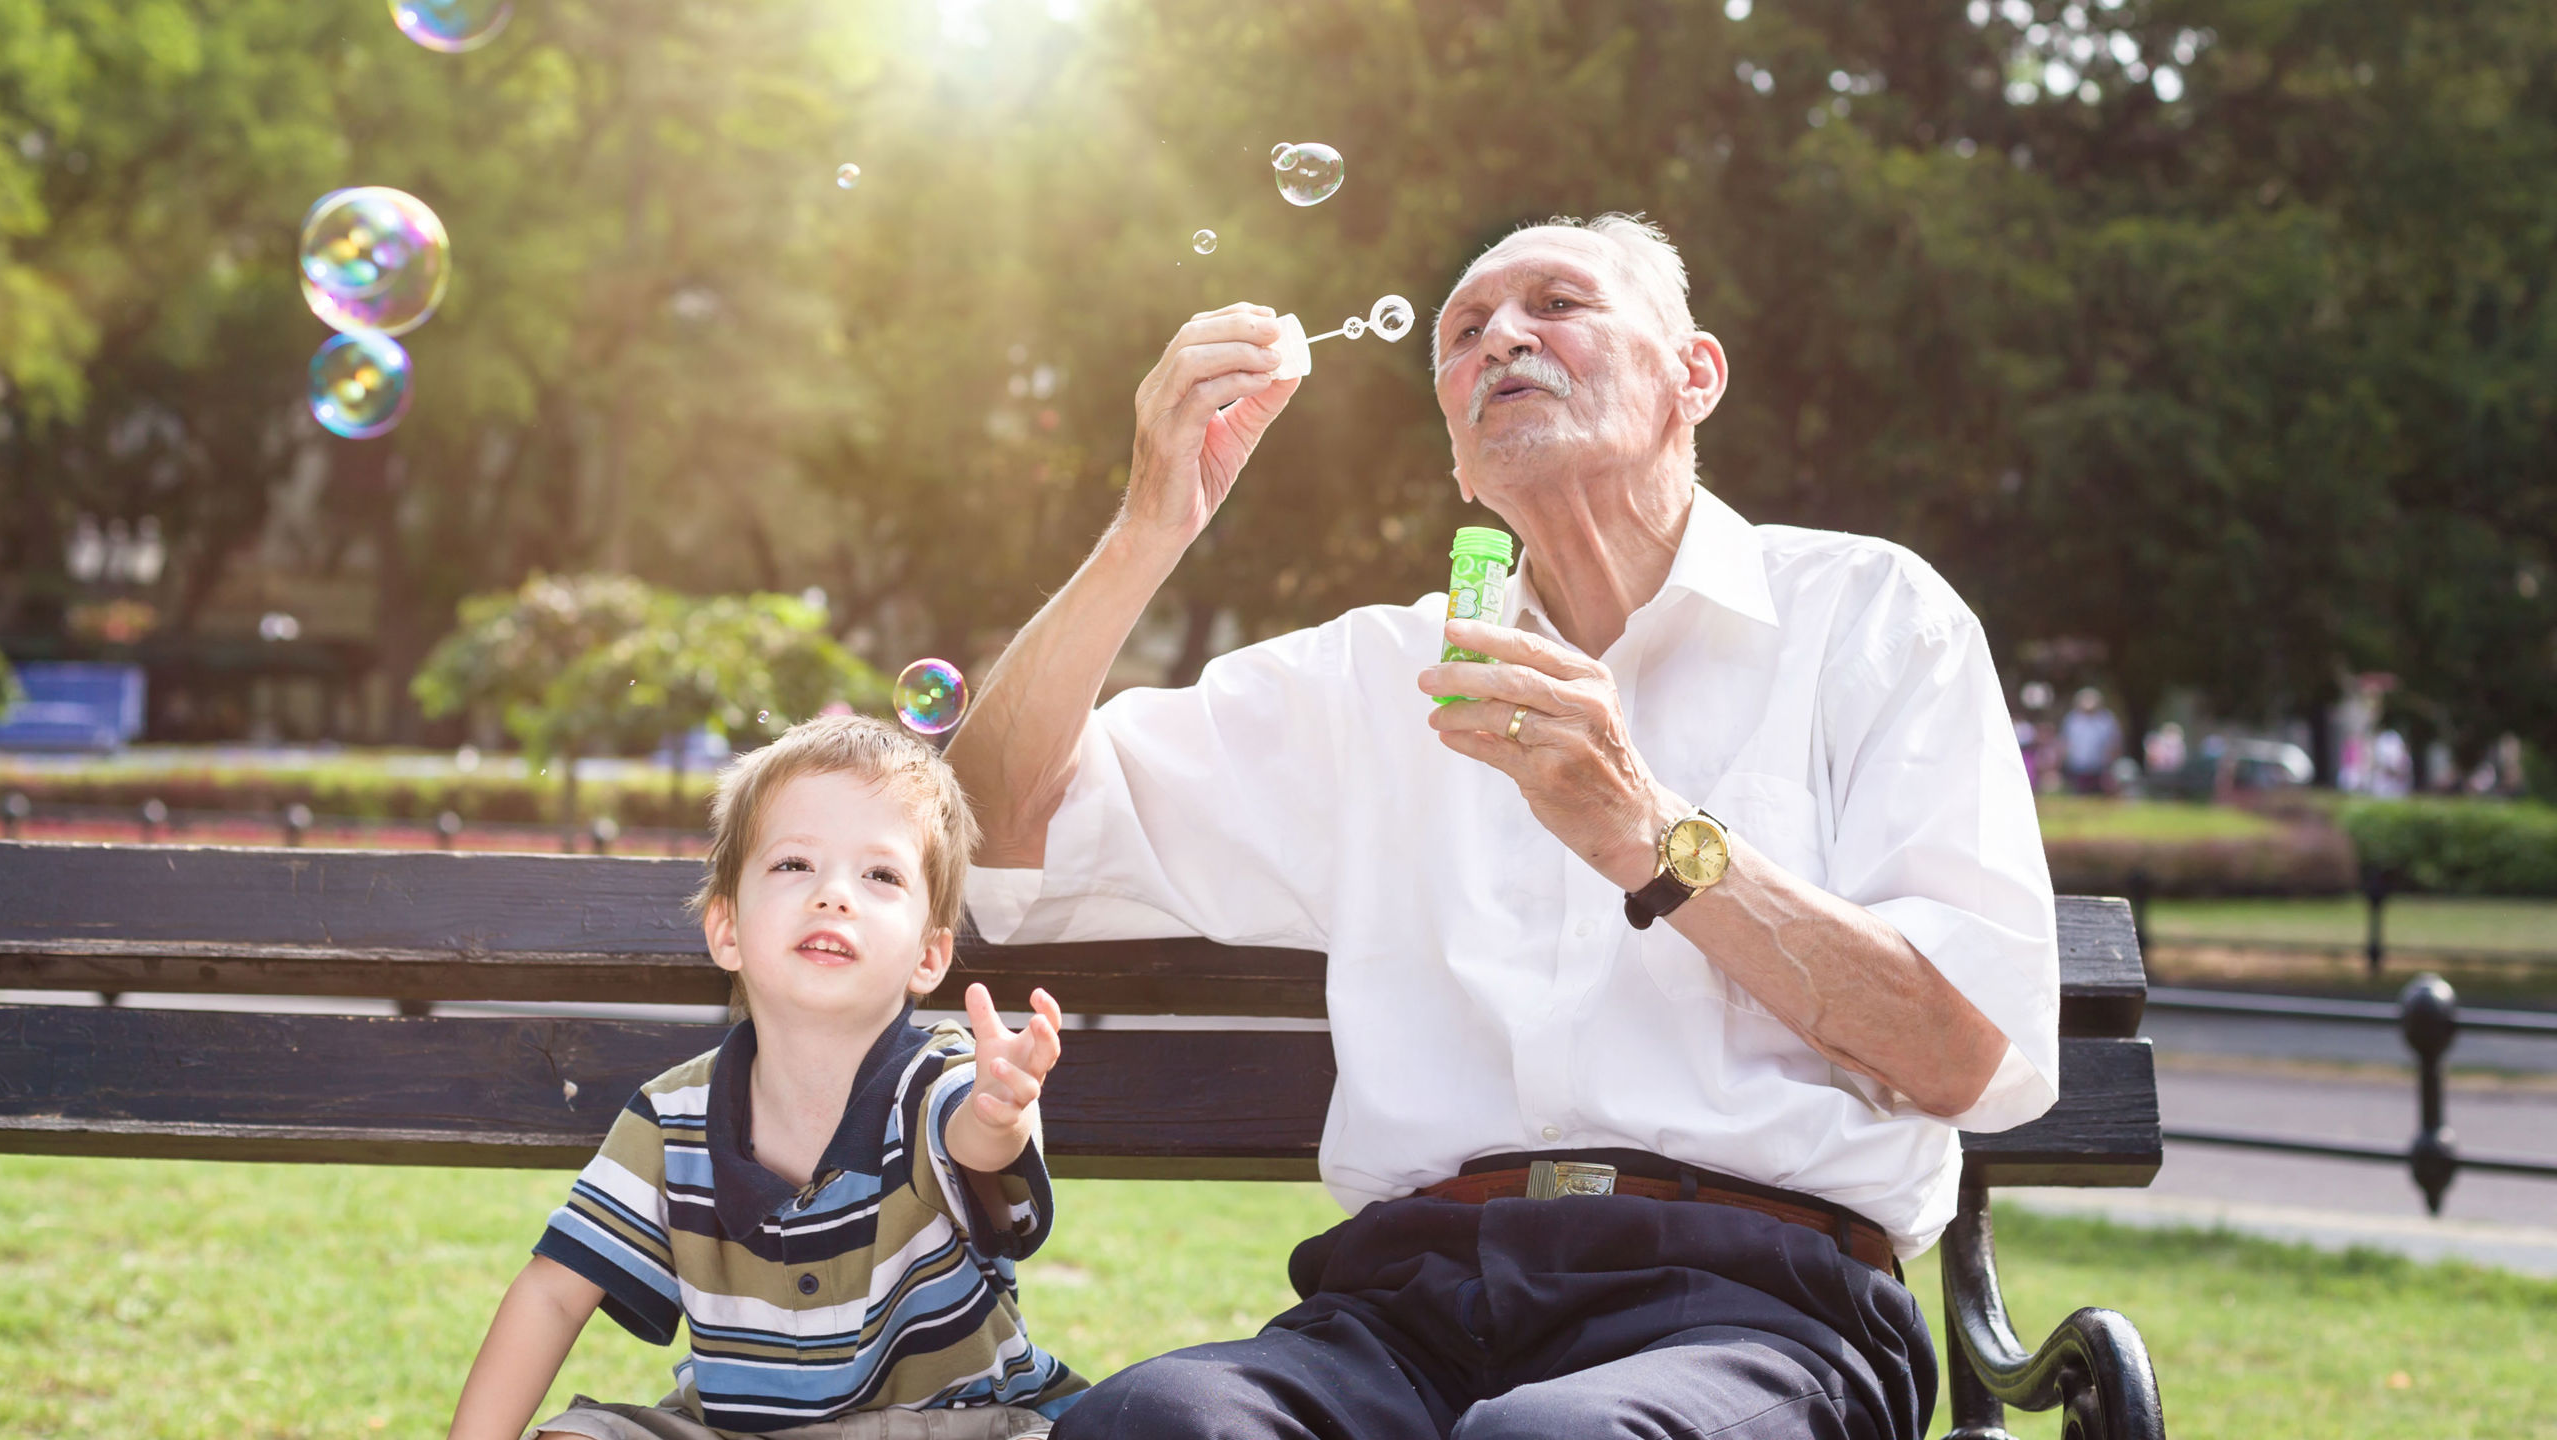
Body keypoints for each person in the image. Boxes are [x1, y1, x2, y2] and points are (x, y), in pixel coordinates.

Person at [950, 213, 2056, 1440]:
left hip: (1758, 1303)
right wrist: (1150, 523)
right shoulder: (1373, 677)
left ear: (1696, 373)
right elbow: (996, 825)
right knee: (1155, 1424)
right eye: (1464, 333)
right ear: (1462, 465)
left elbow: (1963, 1053)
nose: (1502, 340)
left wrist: (1649, 833)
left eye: (1560, 304)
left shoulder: (1868, 617)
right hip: (1408, 1301)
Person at [447, 715, 1084, 1440]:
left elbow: (970, 1131)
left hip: (942, 1422)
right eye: (793, 865)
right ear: (727, 931)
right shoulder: (672, 1118)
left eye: (880, 875)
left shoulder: (933, 1078)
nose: (834, 894)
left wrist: (1002, 1111)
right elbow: (554, 1295)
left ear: (928, 957)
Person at [2058, 687, 2122, 795]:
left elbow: (2114, 743)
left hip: (2099, 766)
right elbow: (2065, 741)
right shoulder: (2072, 719)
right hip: (2076, 765)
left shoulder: (2106, 720)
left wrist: (2110, 763)